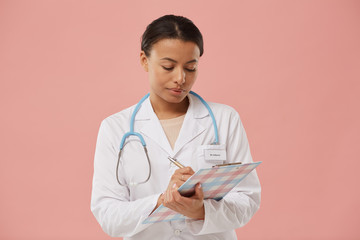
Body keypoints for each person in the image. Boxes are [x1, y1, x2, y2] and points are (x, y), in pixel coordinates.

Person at [90, 14, 261, 240]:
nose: (180, 78)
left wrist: (199, 211)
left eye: (190, 68)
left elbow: (247, 199)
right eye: (168, 66)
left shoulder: (224, 119)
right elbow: (109, 216)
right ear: (144, 60)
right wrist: (161, 201)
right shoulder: (115, 128)